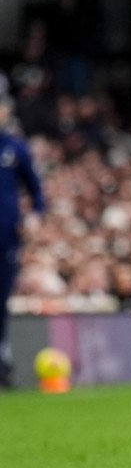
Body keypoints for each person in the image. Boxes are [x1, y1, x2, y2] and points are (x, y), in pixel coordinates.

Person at [0, 99, 44, 389]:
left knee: (1, 298)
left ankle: (2, 356)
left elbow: (37, 190)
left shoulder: (15, 147)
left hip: (6, 238)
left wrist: (34, 217)